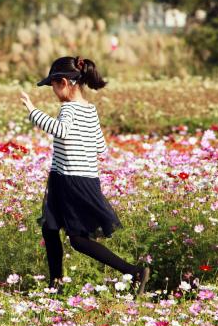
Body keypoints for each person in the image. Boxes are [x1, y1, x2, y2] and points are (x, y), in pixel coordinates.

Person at [20, 56, 150, 295]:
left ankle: (133, 272)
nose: (53, 91)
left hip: (71, 179)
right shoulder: (90, 110)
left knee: (77, 240)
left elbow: (61, 130)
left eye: (54, 85)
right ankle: (55, 285)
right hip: (75, 177)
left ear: (65, 82)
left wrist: (32, 111)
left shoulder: (68, 108)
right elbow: (101, 147)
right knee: (50, 229)